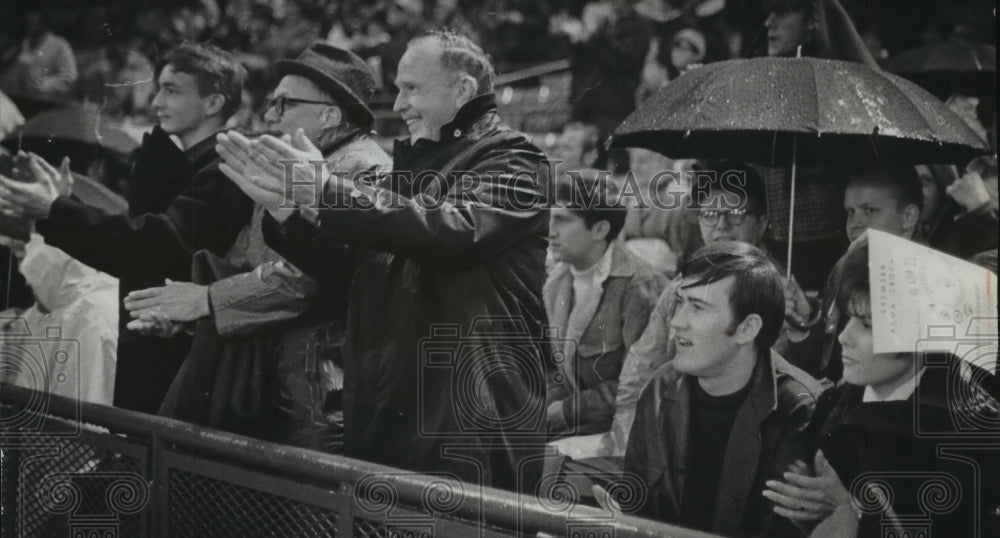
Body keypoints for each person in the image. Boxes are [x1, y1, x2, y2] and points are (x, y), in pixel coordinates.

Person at [217, 29, 550, 491]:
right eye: (397, 89)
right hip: (395, 408)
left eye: (412, 88)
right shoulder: (410, 171)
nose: (398, 105)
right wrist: (287, 209)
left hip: (467, 423)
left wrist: (326, 189)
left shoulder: (516, 160)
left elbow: (451, 230)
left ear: (463, 91)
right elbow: (354, 273)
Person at [123, 43, 391, 452]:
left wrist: (208, 300)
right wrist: (184, 316)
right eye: (271, 103)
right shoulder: (295, 163)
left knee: (307, 506)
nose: (270, 117)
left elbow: (306, 280)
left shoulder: (365, 169)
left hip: (322, 391)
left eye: (284, 104)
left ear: (330, 116)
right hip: (273, 376)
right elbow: (246, 261)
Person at [0, 43, 254, 414]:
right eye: (158, 89)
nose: (155, 103)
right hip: (161, 338)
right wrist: (65, 203)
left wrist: (57, 209)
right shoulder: (189, 163)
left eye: (172, 90)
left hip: (181, 354)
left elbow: (153, 243)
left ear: (213, 104)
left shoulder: (220, 170)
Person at [763, 234, 1000, 537]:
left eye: (868, 326)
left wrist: (858, 505)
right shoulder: (831, 406)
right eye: (849, 319)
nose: (845, 337)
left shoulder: (973, 438)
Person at [623, 241, 822, 536]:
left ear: (746, 329)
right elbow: (636, 505)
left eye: (698, 307)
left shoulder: (799, 408)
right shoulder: (660, 388)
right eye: (680, 302)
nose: (676, 321)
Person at [545, 170, 666, 443]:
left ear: (600, 229)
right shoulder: (555, 281)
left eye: (562, 220)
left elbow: (643, 383)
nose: (550, 231)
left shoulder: (640, 287)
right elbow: (550, 365)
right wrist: (551, 405)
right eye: (549, 218)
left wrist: (566, 410)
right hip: (569, 428)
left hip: (622, 434)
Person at [783, 162, 923, 380]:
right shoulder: (842, 274)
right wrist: (803, 328)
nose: (855, 223)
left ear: (908, 217)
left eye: (870, 210)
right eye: (850, 211)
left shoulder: (924, 288)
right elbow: (819, 370)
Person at [0, 234, 118, 406]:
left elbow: (85, 410)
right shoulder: (48, 310)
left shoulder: (93, 317)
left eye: (23, 259)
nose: (26, 280)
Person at [0, 12, 77, 99]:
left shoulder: (59, 44)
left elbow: (69, 75)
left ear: (45, 22)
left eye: (34, 21)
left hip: (45, 100)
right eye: (28, 21)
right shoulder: (22, 43)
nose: (30, 24)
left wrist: (45, 84)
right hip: (18, 97)